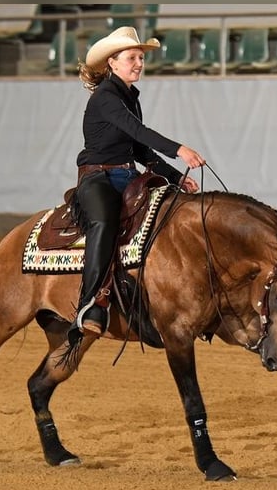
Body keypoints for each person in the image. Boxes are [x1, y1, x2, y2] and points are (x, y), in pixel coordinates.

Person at [70, 26, 206, 340]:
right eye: (131, 57)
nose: (139, 63)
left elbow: (139, 148)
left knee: (171, 214)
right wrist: (179, 150)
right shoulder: (106, 96)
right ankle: (91, 303)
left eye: (141, 58)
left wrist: (174, 178)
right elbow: (138, 132)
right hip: (97, 177)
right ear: (112, 64)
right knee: (103, 222)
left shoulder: (129, 96)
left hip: (127, 175)